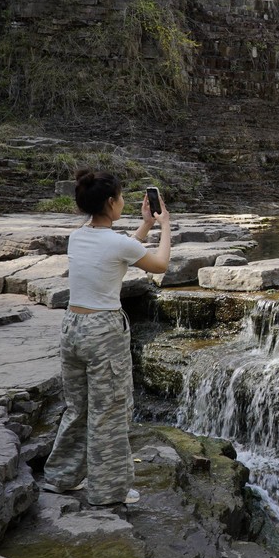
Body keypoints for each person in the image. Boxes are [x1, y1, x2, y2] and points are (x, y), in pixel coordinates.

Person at [42, 169, 172, 506]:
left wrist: (146, 225)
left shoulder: (78, 236)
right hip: (103, 333)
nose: (125, 202)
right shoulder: (117, 242)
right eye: (121, 197)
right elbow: (158, 265)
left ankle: (62, 477)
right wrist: (166, 227)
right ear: (111, 202)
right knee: (108, 412)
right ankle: (107, 491)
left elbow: (120, 251)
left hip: (72, 327)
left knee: (78, 407)